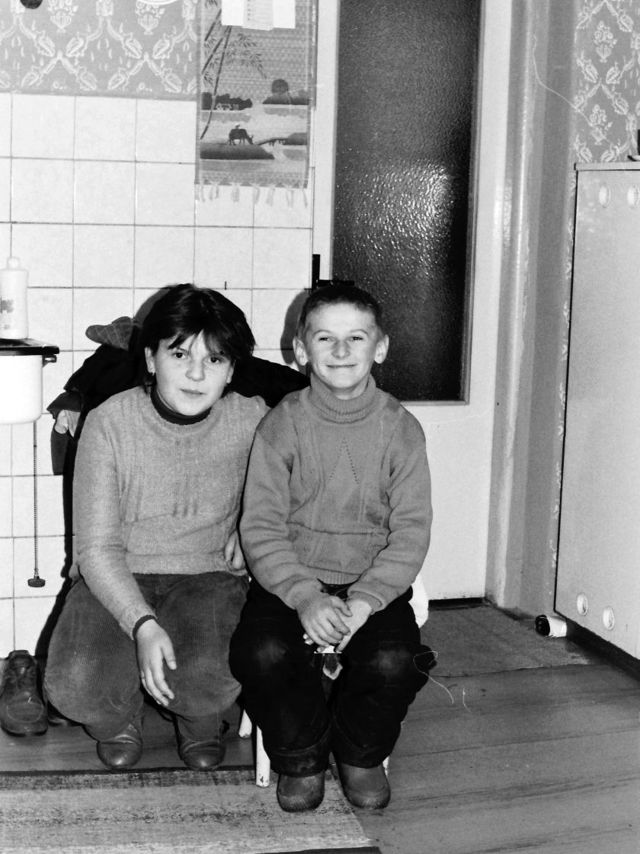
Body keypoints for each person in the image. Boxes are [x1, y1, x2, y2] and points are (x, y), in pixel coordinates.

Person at [44, 284, 268, 771]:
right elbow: (96, 549)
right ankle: (117, 719)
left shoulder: (254, 420)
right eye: (180, 354)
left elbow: (298, 490)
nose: (196, 374)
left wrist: (252, 525)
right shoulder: (109, 424)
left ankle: (200, 719)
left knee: (210, 673)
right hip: (119, 571)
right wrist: (142, 624)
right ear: (150, 359)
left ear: (232, 370)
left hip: (210, 575)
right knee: (73, 683)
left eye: (214, 359)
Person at [229, 283, 434, 812]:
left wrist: (365, 601)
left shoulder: (401, 430)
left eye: (356, 338)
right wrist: (303, 596)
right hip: (291, 578)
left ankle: (360, 752)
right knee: (261, 652)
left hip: (373, 584)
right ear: (301, 350)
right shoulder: (282, 424)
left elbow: (411, 532)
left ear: (379, 348)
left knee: (396, 660)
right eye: (325, 338)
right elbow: (261, 526)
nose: (341, 351)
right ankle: (302, 755)